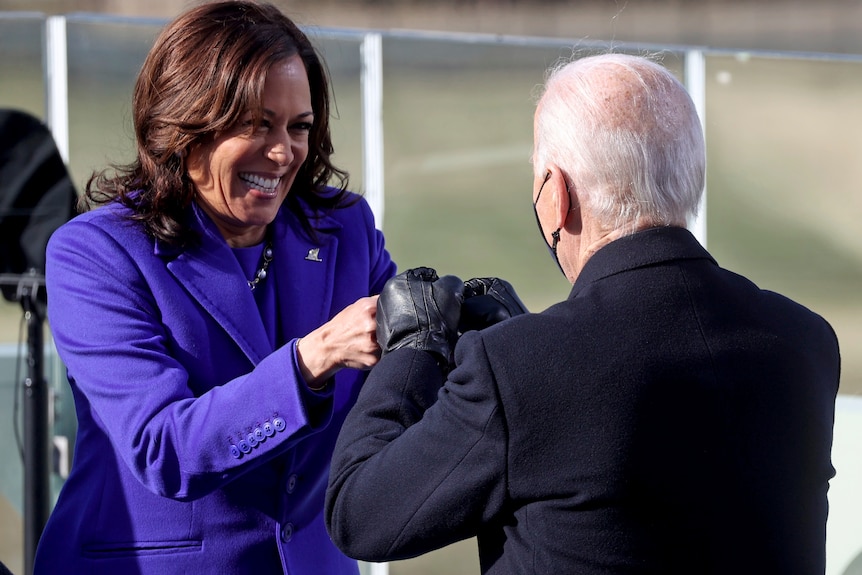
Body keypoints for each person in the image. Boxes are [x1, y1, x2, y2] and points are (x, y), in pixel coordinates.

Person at [325, 53, 841, 574]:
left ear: (556, 195)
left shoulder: (518, 370)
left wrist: (414, 350)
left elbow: (360, 516)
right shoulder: (805, 342)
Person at [33, 2, 395, 573]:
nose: (283, 153)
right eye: (256, 124)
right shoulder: (95, 253)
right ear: (184, 125)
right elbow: (163, 450)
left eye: (298, 127)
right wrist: (309, 361)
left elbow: (400, 393)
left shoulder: (344, 229)